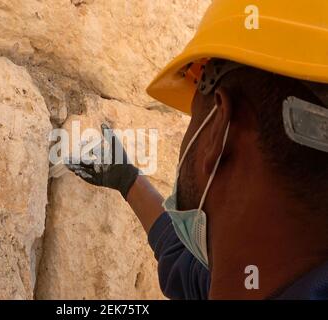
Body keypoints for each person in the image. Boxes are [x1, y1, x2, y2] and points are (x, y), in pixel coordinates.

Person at [66, 0, 328, 299]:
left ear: (218, 129)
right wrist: (128, 182)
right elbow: (188, 267)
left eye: (193, 115)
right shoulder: (256, 278)